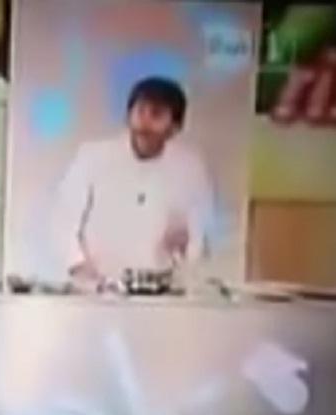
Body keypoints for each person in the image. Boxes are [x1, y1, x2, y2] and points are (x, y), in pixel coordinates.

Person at [51, 77, 214, 285]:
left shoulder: (190, 168)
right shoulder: (93, 156)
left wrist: (189, 251)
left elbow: (200, 230)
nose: (145, 122)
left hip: (162, 288)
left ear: (174, 127)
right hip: (96, 286)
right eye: (140, 111)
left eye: (156, 114)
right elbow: (63, 220)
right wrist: (79, 266)